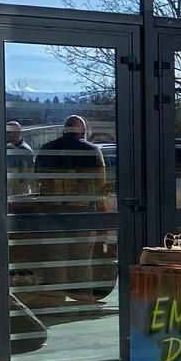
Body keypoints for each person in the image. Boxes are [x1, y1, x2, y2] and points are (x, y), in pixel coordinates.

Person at [32, 116, 110, 298]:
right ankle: (82, 299)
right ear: (82, 132)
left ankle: (57, 299)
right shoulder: (93, 151)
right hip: (83, 213)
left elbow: (38, 178)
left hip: (53, 212)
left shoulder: (47, 149)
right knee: (81, 258)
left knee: (55, 257)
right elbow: (101, 182)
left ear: (64, 130)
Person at [4, 122, 36, 200]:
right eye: (8, 132)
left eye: (14, 132)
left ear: (19, 133)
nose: (10, 135)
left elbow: (30, 173)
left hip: (19, 193)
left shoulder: (24, 150)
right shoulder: (6, 148)